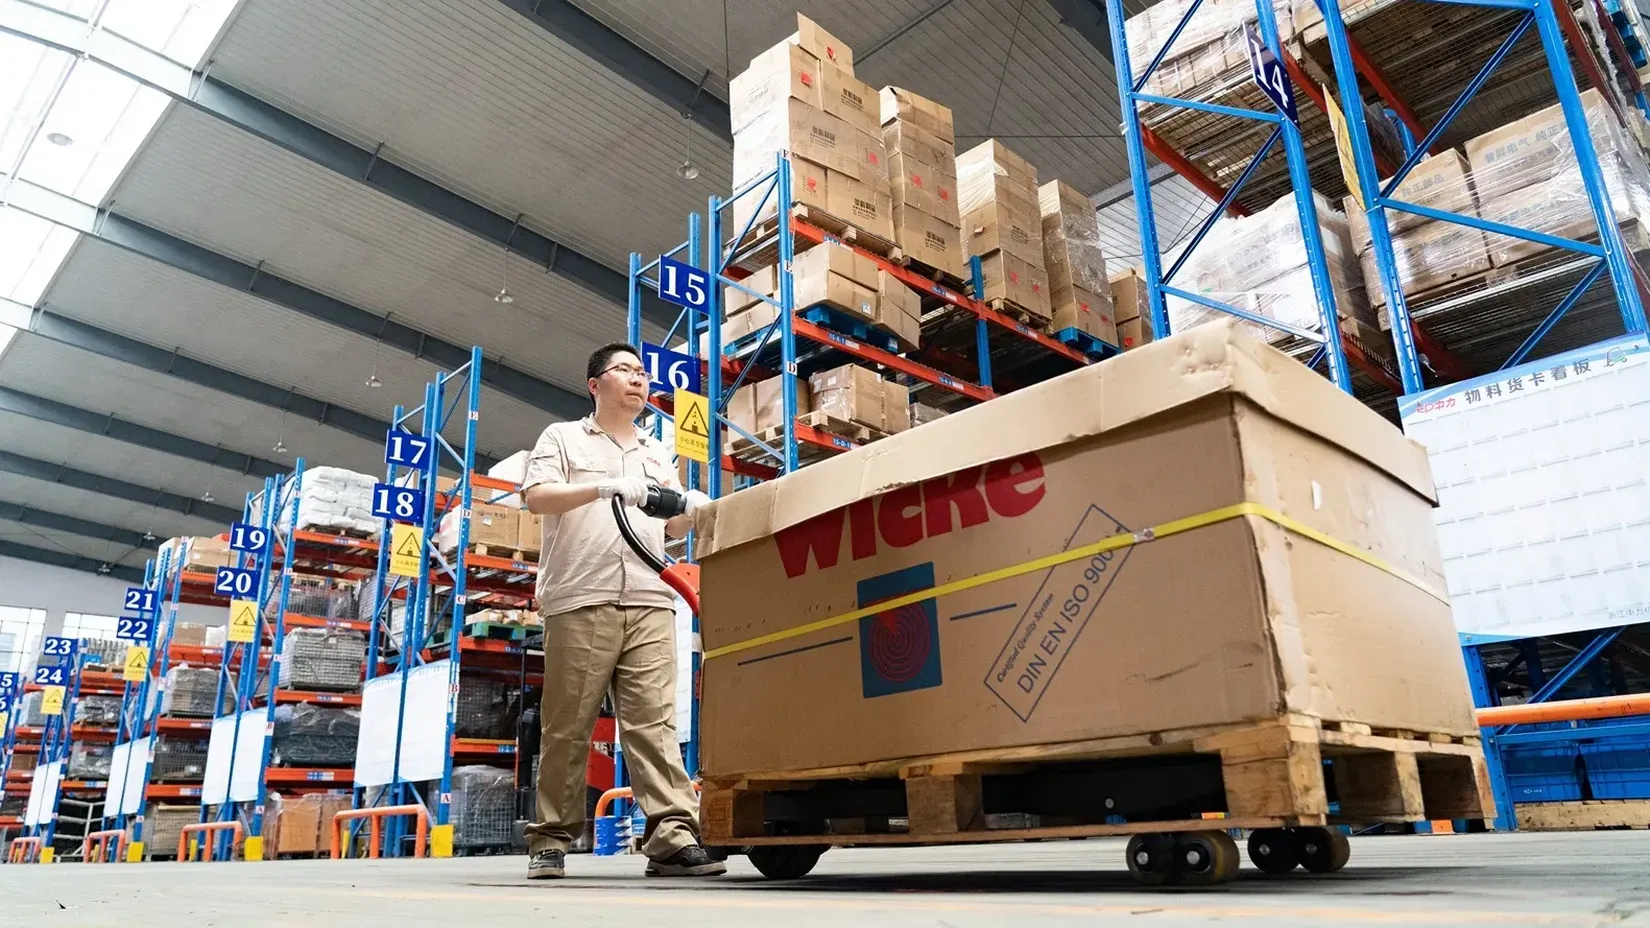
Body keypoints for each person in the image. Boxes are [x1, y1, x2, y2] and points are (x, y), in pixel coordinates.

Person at [519, 342, 722, 880]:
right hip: (582, 595)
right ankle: (551, 839)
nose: (638, 379)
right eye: (625, 370)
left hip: (651, 597)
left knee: (655, 723)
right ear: (595, 384)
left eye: (642, 372)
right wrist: (602, 487)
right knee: (568, 724)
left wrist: (693, 508)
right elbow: (537, 497)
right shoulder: (563, 437)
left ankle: (673, 837)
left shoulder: (657, 453)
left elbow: (670, 525)